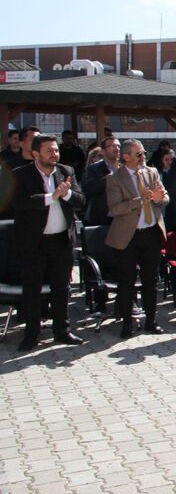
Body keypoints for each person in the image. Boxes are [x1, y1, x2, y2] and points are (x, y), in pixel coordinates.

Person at [12, 135, 86, 351]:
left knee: (61, 289)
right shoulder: (21, 175)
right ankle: (32, 334)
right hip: (34, 243)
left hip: (61, 240)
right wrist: (50, 197)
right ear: (36, 154)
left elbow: (81, 200)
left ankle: (62, 331)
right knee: (33, 289)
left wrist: (67, 194)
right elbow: (18, 203)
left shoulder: (66, 172)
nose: (55, 154)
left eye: (56, 150)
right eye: (49, 151)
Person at [105, 139, 169, 338]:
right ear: (126, 157)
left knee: (151, 280)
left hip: (150, 233)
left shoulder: (152, 172)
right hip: (128, 237)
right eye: (139, 154)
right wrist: (140, 201)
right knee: (127, 282)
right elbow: (114, 208)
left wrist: (159, 198)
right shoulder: (114, 178)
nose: (143, 157)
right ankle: (127, 324)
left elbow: (165, 197)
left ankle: (151, 320)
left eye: (143, 153)